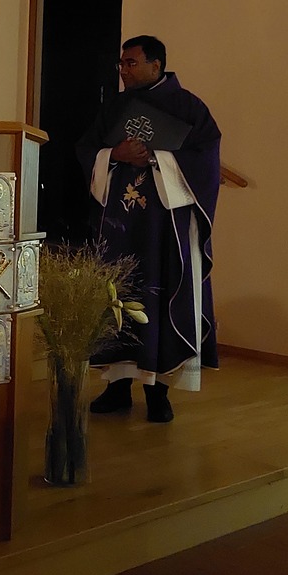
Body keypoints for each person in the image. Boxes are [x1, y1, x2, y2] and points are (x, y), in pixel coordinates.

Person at [74, 35, 220, 423]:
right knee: (117, 294)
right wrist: (114, 154)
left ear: (156, 65)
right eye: (121, 64)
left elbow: (206, 159)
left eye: (131, 63)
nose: (123, 70)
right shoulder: (114, 107)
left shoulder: (188, 106)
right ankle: (117, 386)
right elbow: (87, 149)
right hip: (120, 227)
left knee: (161, 292)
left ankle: (159, 392)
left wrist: (158, 157)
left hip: (164, 227)